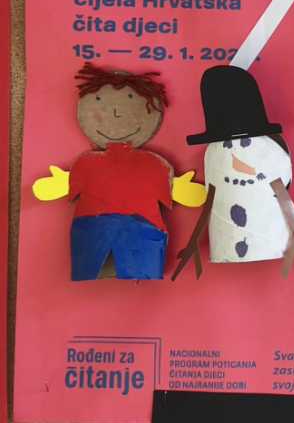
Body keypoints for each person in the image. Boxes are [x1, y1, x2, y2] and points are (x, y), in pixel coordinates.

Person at [32, 62, 204, 281]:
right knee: (99, 251)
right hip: (100, 226)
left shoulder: (151, 164)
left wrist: (181, 189)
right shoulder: (88, 164)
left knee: (132, 251)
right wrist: (57, 184)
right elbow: (65, 185)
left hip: (139, 227)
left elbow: (172, 188)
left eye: (131, 101)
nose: (116, 112)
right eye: (100, 102)